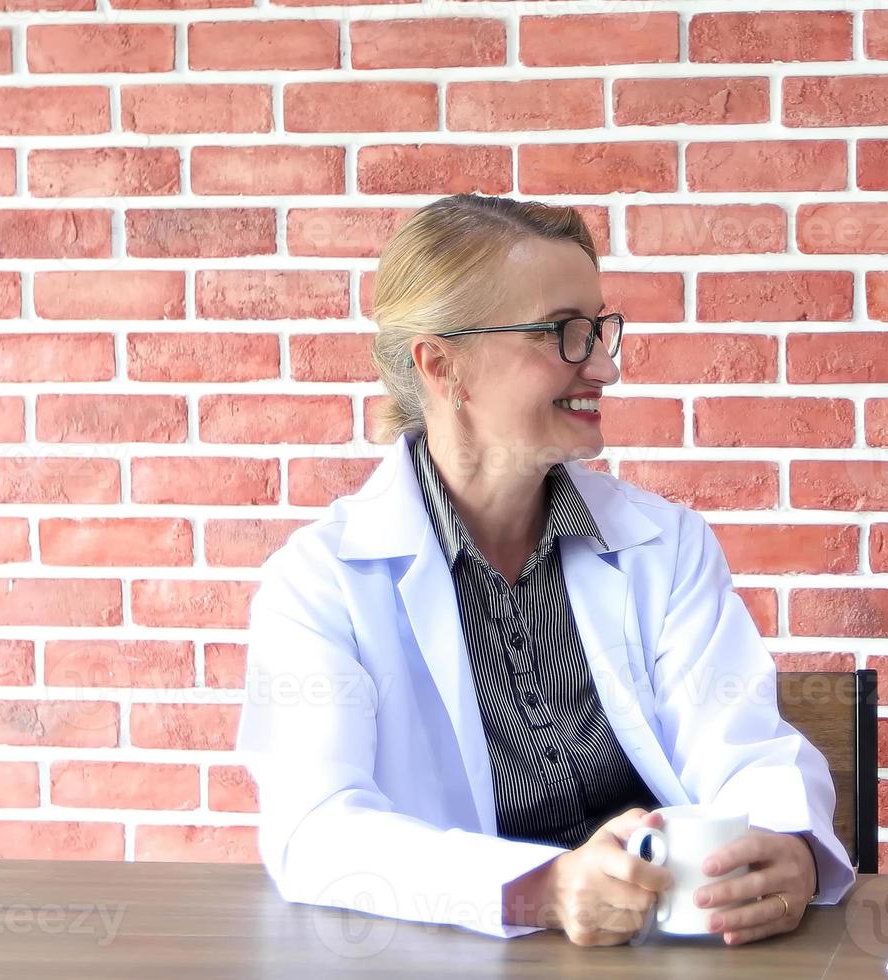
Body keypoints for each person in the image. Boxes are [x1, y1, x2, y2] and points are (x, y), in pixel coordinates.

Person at [238, 194, 853, 945]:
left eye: (598, 329)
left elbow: (745, 747)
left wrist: (783, 845)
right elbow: (316, 831)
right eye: (563, 333)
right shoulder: (319, 583)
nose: (606, 366)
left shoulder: (664, 544)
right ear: (444, 366)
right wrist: (545, 891)